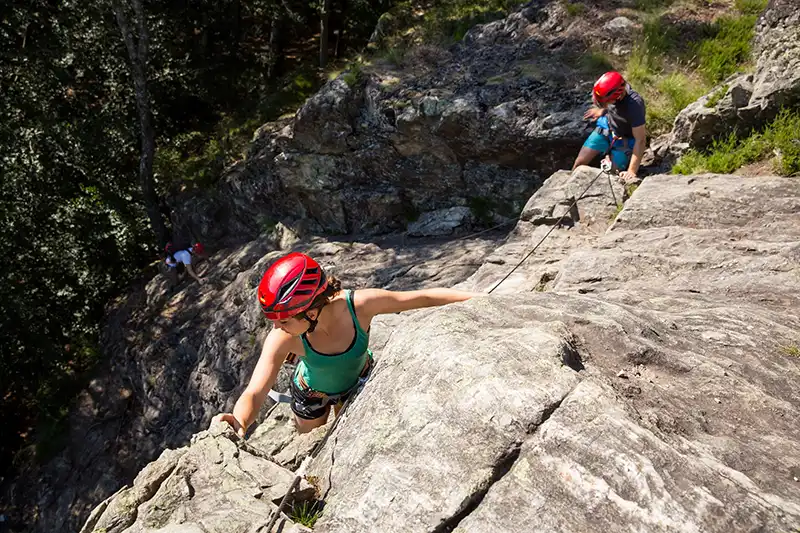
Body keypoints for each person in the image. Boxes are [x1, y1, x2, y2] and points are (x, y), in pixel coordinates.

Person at [213, 252, 481, 435]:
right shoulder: (283, 338)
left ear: (311, 311)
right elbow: (255, 392)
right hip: (311, 394)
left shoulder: (360, 306)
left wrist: (479, 299)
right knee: (314, 440)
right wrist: (239, 421)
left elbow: (421, 297)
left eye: (283, 320)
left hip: (359, 379)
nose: (275, 327)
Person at [572, 71, 647, 185]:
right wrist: (602, 110)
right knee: (579, 163)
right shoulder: (614, 88)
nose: (606, 103)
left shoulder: (634, 105)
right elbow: (612, 106)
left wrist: (631, 171)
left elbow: (640, 140)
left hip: (625, 140)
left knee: (611, 174)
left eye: (607, 102)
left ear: (617, 96)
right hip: (606, 128)